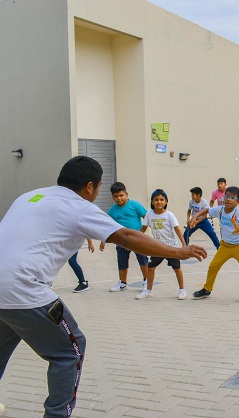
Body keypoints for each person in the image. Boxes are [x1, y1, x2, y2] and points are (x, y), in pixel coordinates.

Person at [0, 156, 206, 418]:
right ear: (89, 187)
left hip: (5, 288)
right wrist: (177, 252)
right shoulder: (79, 206)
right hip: (24, 288)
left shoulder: (30, 196)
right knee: (69, 351)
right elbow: (128, 237)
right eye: (98, 188)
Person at [193, 186, 239, 302]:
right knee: (213, 266)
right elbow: (207, 210)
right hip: (225, 246)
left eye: (232, 197)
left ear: (238, 202)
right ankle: (207, 289)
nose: (228, 199)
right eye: (226, 196)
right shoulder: (220, 210)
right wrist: (196, 217)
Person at [136, 189, 188, 300]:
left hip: (171, 247)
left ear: (166, 202)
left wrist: (184, 244)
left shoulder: (169, 215)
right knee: (151, 268)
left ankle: (182, 290)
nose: (159, 202)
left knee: (177, 268)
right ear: (152, 202)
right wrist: (135, 241)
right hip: (157, 247)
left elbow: (178, 230)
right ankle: (148, 291)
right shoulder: (149, 215)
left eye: (161, 199)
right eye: (156, 200)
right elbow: (143, 229)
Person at [102, 182, 150, 292]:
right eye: (116, 196)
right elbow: (107, 225)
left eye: (121, 195)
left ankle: (147, 281)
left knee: (143, 260)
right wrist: (103, 239)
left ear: (126, 194)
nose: (119, 198)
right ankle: (122, 283)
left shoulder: (135, 205)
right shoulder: (112, 211)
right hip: (121, 241)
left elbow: (147, 218)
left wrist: (142, 232)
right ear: (113, 197)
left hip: (137, 239)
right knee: (122, 261)